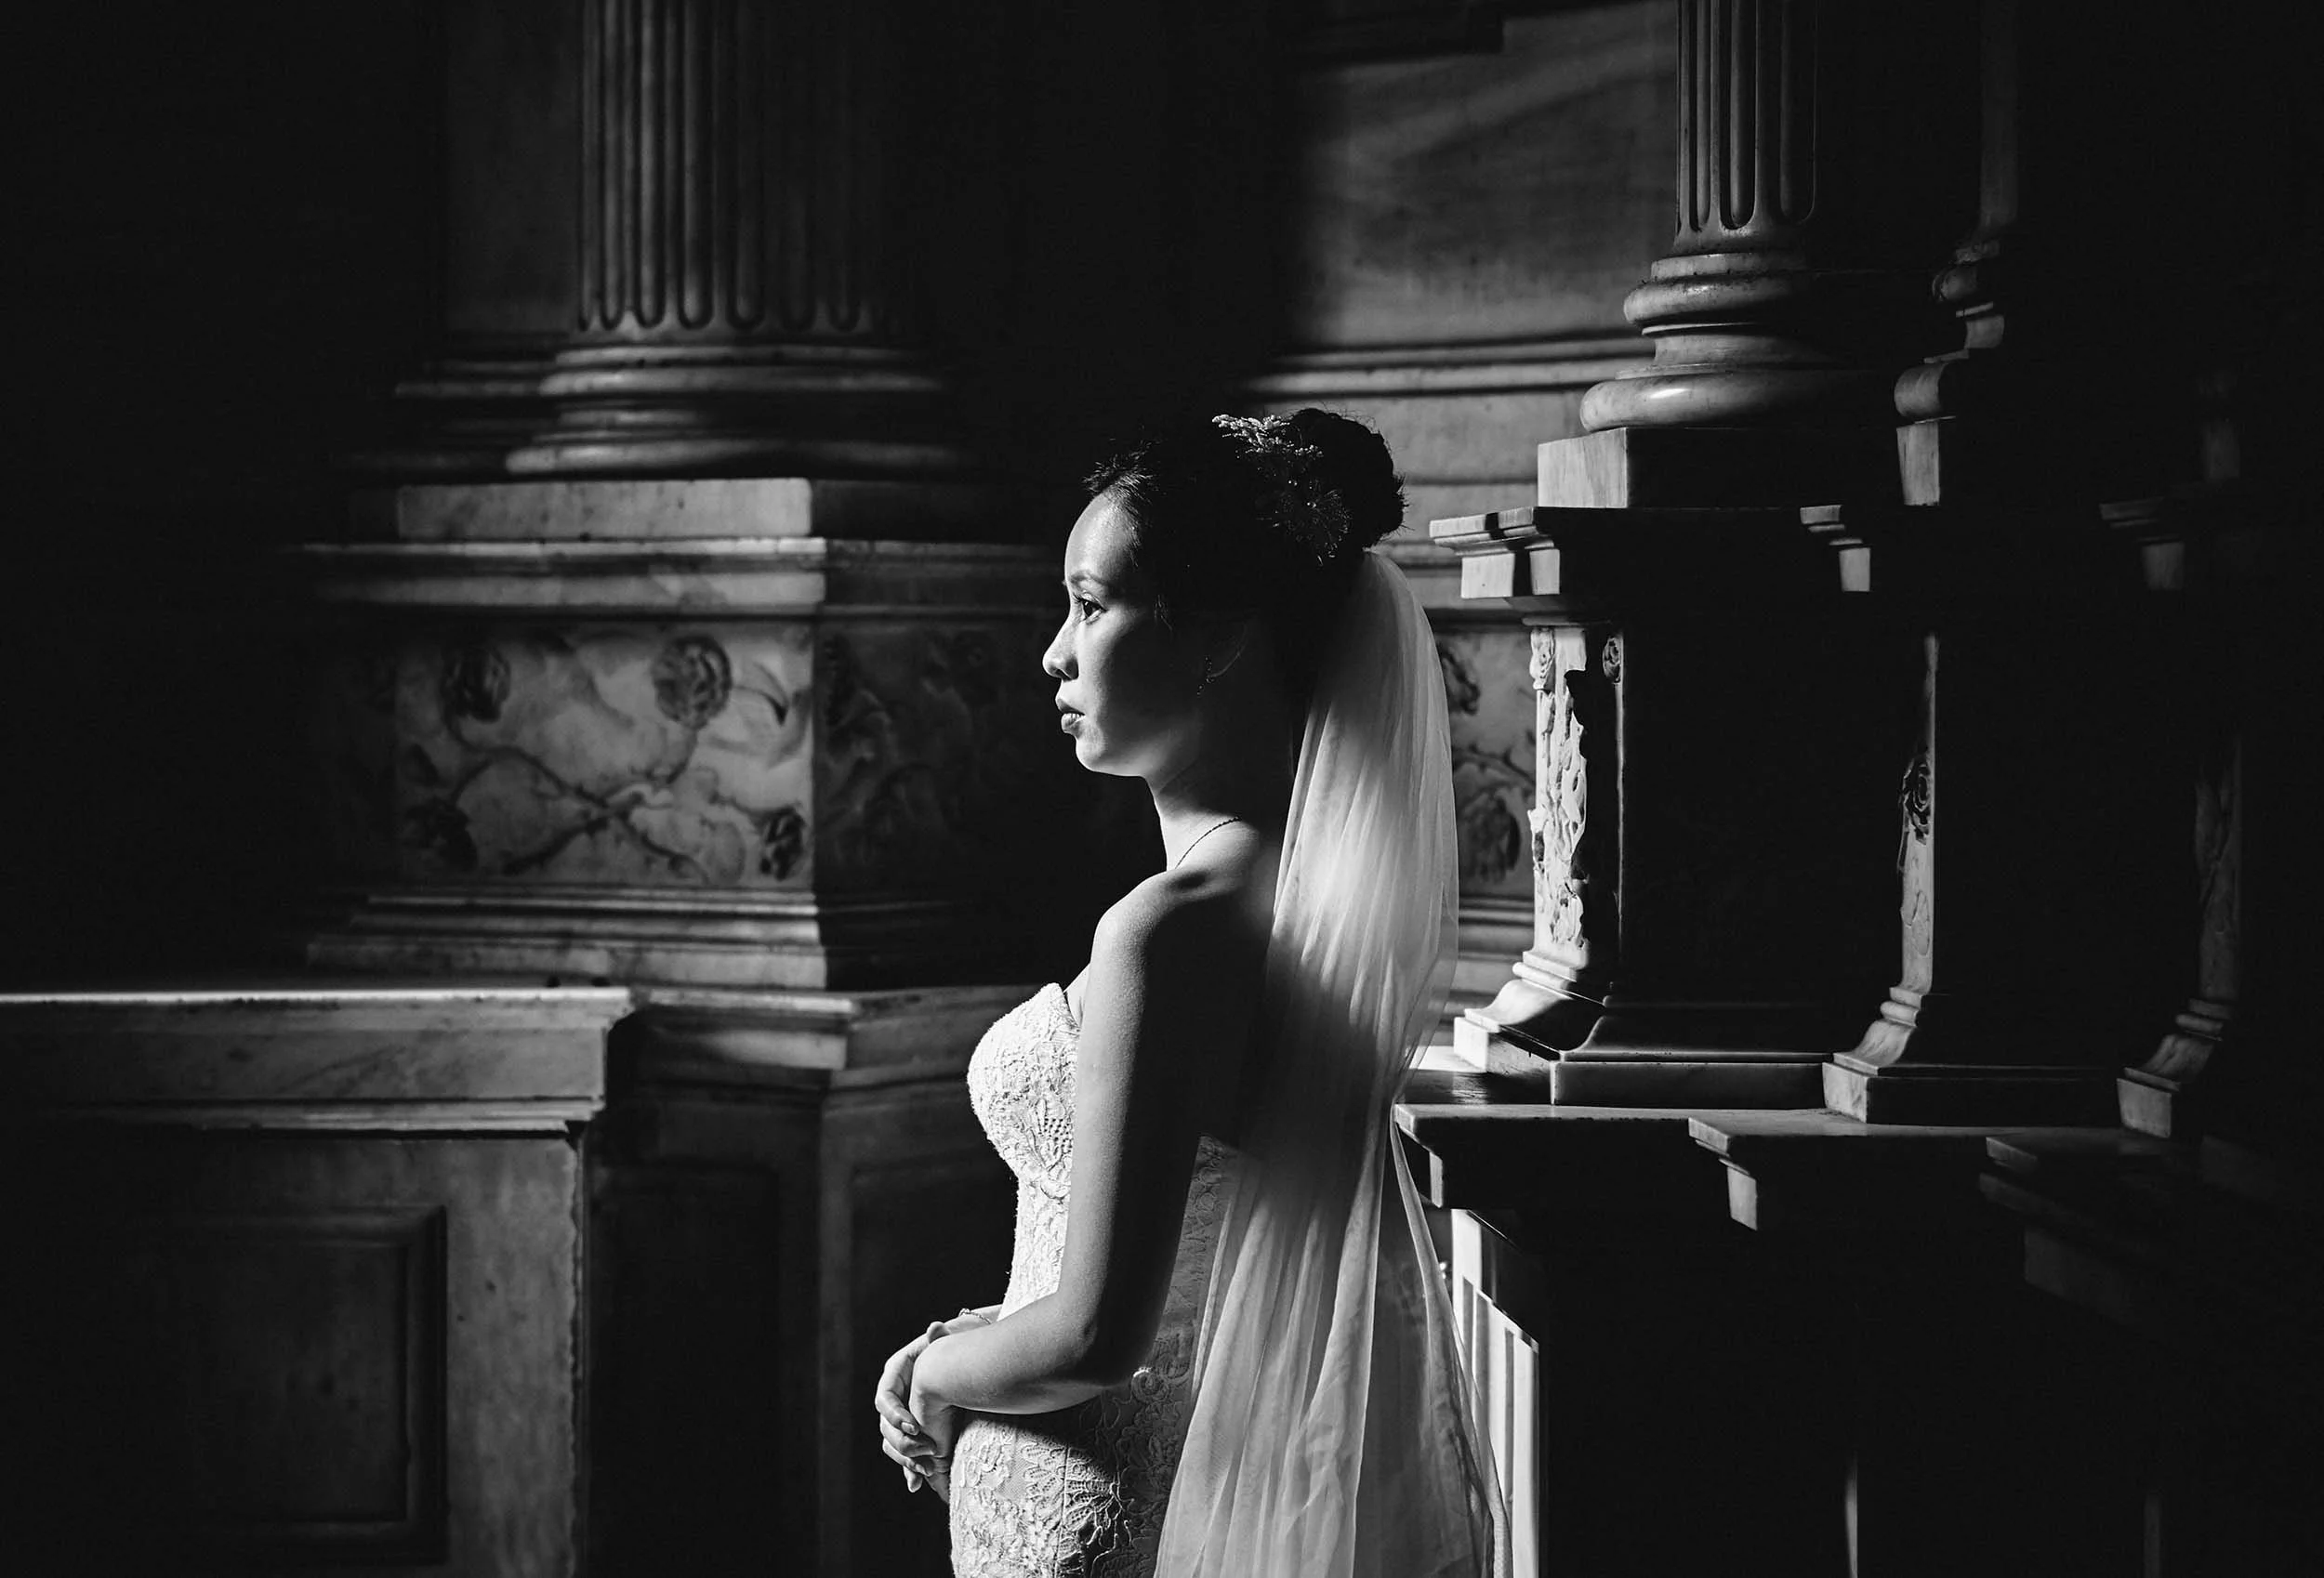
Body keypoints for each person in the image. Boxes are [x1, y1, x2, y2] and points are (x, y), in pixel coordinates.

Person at [872, 409, 1502, 1578]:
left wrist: (925, 1370)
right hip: (1172, 1477)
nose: (1054, 653)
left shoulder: (1169, 934)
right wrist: (984, 1339)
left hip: (1095, 1491)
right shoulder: (1294, 902)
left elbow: (1096, 1335)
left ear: (1215, 633)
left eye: (1091, 604)